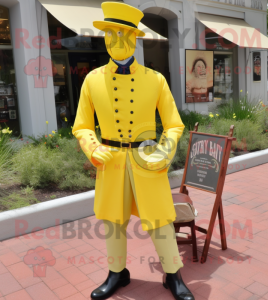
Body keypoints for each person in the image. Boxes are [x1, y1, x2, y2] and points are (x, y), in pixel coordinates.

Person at [71, 2, 195, 300]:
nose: (116, 40)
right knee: (113, 220)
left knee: (159, 220)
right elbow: (82, 125)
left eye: (123, 34)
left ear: (135, 38)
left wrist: (164, 153)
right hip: (111, 161)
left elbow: (174, 125)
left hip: (147, 159)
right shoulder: (92, 79)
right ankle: (117, 273)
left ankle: (173, 274)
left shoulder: (155, 80)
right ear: (105, 38)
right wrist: (92, 147)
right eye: (110, 34)